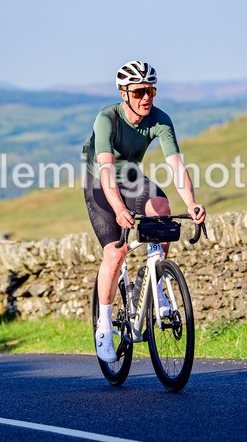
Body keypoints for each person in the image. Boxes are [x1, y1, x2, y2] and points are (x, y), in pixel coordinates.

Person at [83, 60, 206, 362]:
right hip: (100, 182)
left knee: (161, 208)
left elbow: (176, 164)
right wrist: (119, 208)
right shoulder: (106, 119)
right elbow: (107, 170)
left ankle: (156, 280)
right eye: (139, 92)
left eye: (150, 90)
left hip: (132, 177)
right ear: (124, 94)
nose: (146, 98)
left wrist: (191, 203)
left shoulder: (160, 120)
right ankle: (103, 324)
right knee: (116, 251)